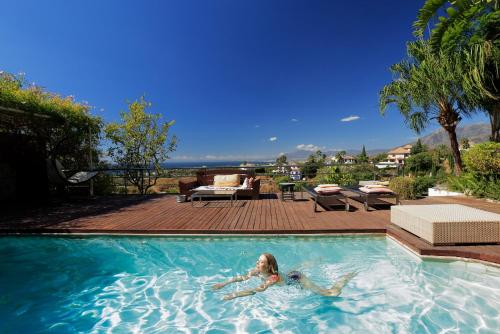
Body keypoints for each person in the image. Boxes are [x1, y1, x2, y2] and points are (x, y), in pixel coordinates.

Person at [212, 253, 356, 301]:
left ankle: (344, 278)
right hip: (287, 275)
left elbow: (255, 290)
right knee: (292, 270)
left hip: (296, 279)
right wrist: (223, 284)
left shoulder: (272, 278)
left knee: (330, 294)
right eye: (258, 260)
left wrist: (234, 294)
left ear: (269, 267)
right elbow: (241, 278)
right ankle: (313, 261)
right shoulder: (256, 271)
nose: (257, 263)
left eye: (261, 262)